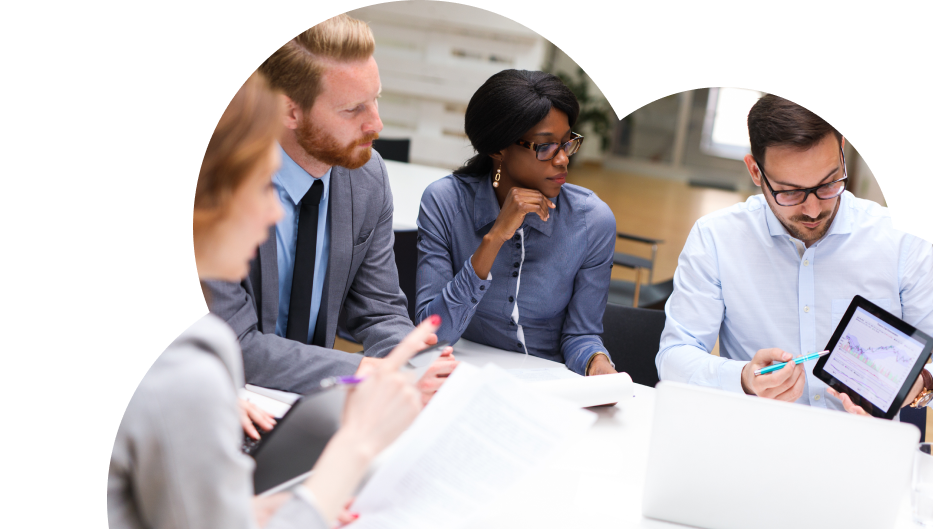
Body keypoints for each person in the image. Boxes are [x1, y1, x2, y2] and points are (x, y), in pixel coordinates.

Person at [108, 72, 433, 528]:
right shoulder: (186, 373)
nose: (278, 210)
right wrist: (354, 448)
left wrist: (252, 512)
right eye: (263, 185)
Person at [655, 94, 933, 415]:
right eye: (790, 192)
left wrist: (921, 383)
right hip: (758, 440)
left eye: (828, 184)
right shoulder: (716, 238)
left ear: (842, 151)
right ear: (756, 172)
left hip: (865, 446)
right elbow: (674, 356)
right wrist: (742, 378)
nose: (813, 209)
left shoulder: (900, 240)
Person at [203, 14, 458, 403]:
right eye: (353, 109)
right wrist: (358, 372)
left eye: (376, 99)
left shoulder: (366, 176)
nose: (377, 124)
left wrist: (410, 362)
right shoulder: (219, 183)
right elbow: (230, 342)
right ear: (290, 112)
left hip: (312, 403)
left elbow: (380, 310)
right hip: (227, 400)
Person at [413, 69, 618, 376]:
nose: (562, 159)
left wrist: (598, 365)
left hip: (545, 386)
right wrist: (495, 238)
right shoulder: (445, 202)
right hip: (460, 377)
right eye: (545, 146)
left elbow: (581, 336)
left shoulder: (591, 221)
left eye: (566, 143)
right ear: (498, 148)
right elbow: (430, 335)